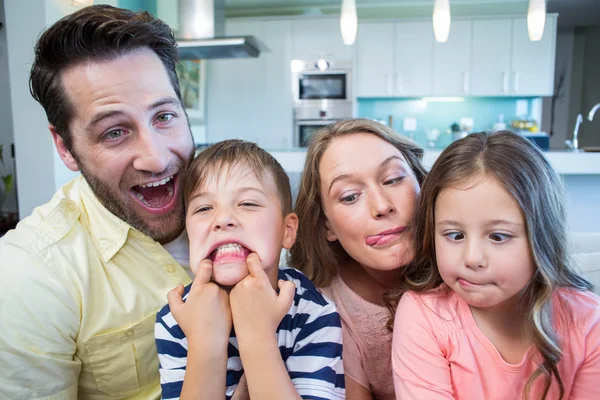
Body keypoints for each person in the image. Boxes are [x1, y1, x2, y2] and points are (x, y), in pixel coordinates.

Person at [0, 5, 196, 399]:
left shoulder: (245, 201)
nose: (156, 158)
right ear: (65, 147)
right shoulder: (29, 274)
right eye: (114, 132)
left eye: (163, 117)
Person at [391, 131, 600, 399]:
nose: (472, 258)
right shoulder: (424, 315)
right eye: (455, 235)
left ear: (543, 237)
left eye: (498, 237)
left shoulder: (588, 321)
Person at [155, 140, 345, 400]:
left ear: (287, 231)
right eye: (203, 208)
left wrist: (257, 336)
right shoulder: (175, 318)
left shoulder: (312, 312)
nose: (222, 219)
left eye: (247, 204)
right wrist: (204, 343)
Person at [288, 119, 428, 399]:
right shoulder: (323, 311)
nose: (381, 206)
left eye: (393, 179)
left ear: (422, 183)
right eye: (350, 196)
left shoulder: (471, 270)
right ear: (326, 225)